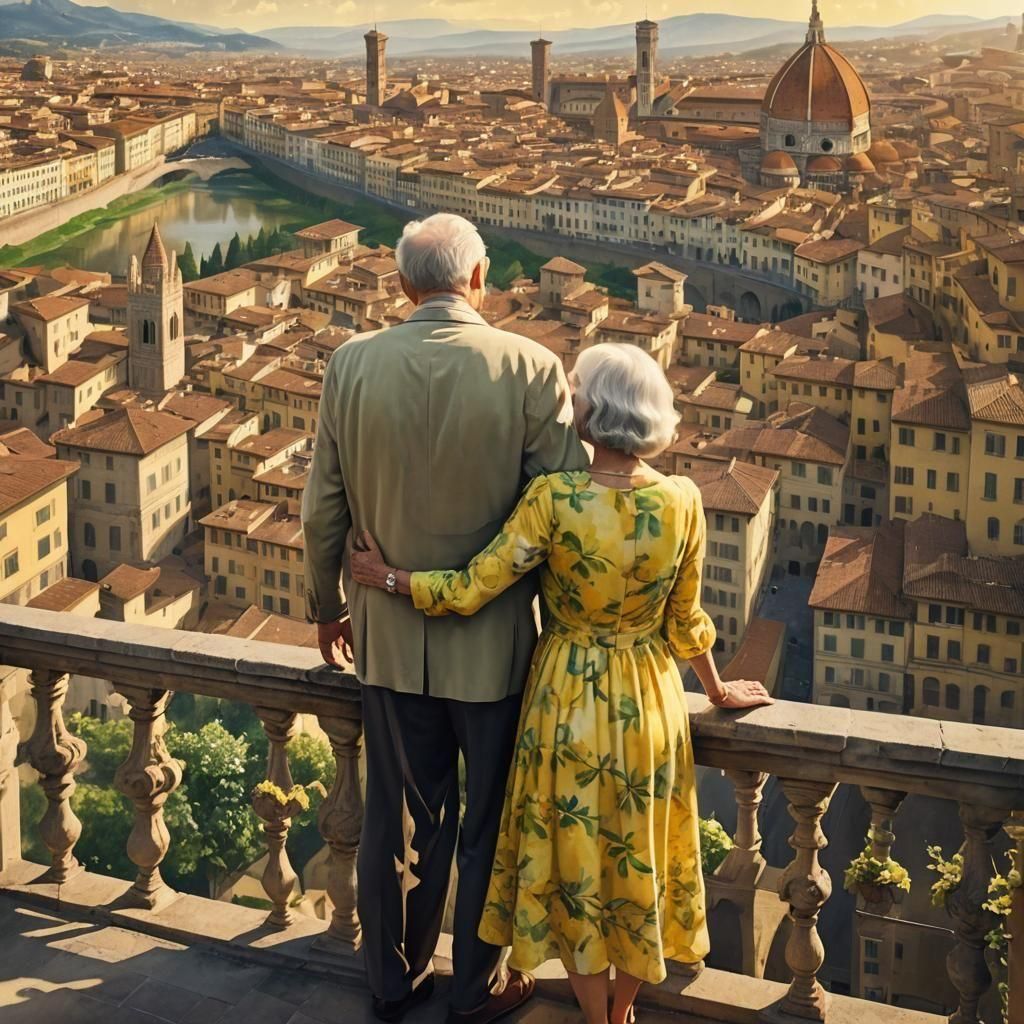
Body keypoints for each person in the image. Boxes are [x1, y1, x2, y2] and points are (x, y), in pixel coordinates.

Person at [349, 343, 774, 1024]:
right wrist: (719, 690)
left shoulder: (555, 499)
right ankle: (620, 1015)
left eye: (576, 389)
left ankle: (594, 1011)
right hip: (649, 699)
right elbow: (688, 620)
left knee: (575, 861)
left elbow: (472, 588)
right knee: (637, 859)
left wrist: (390, 579)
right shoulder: (684, 501)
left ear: (591, 409)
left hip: (565, 700)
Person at [301, 213, 589, 1024]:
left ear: (402, 285)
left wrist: (329, 606)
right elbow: (562, 517)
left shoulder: (351, 365)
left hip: (386, 640)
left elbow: (322, 509)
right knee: (485, 825)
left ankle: (391, 983)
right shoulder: (533, 368)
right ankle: (476, 988)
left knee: (396, 820)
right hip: (495, 649)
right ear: (480, 278)